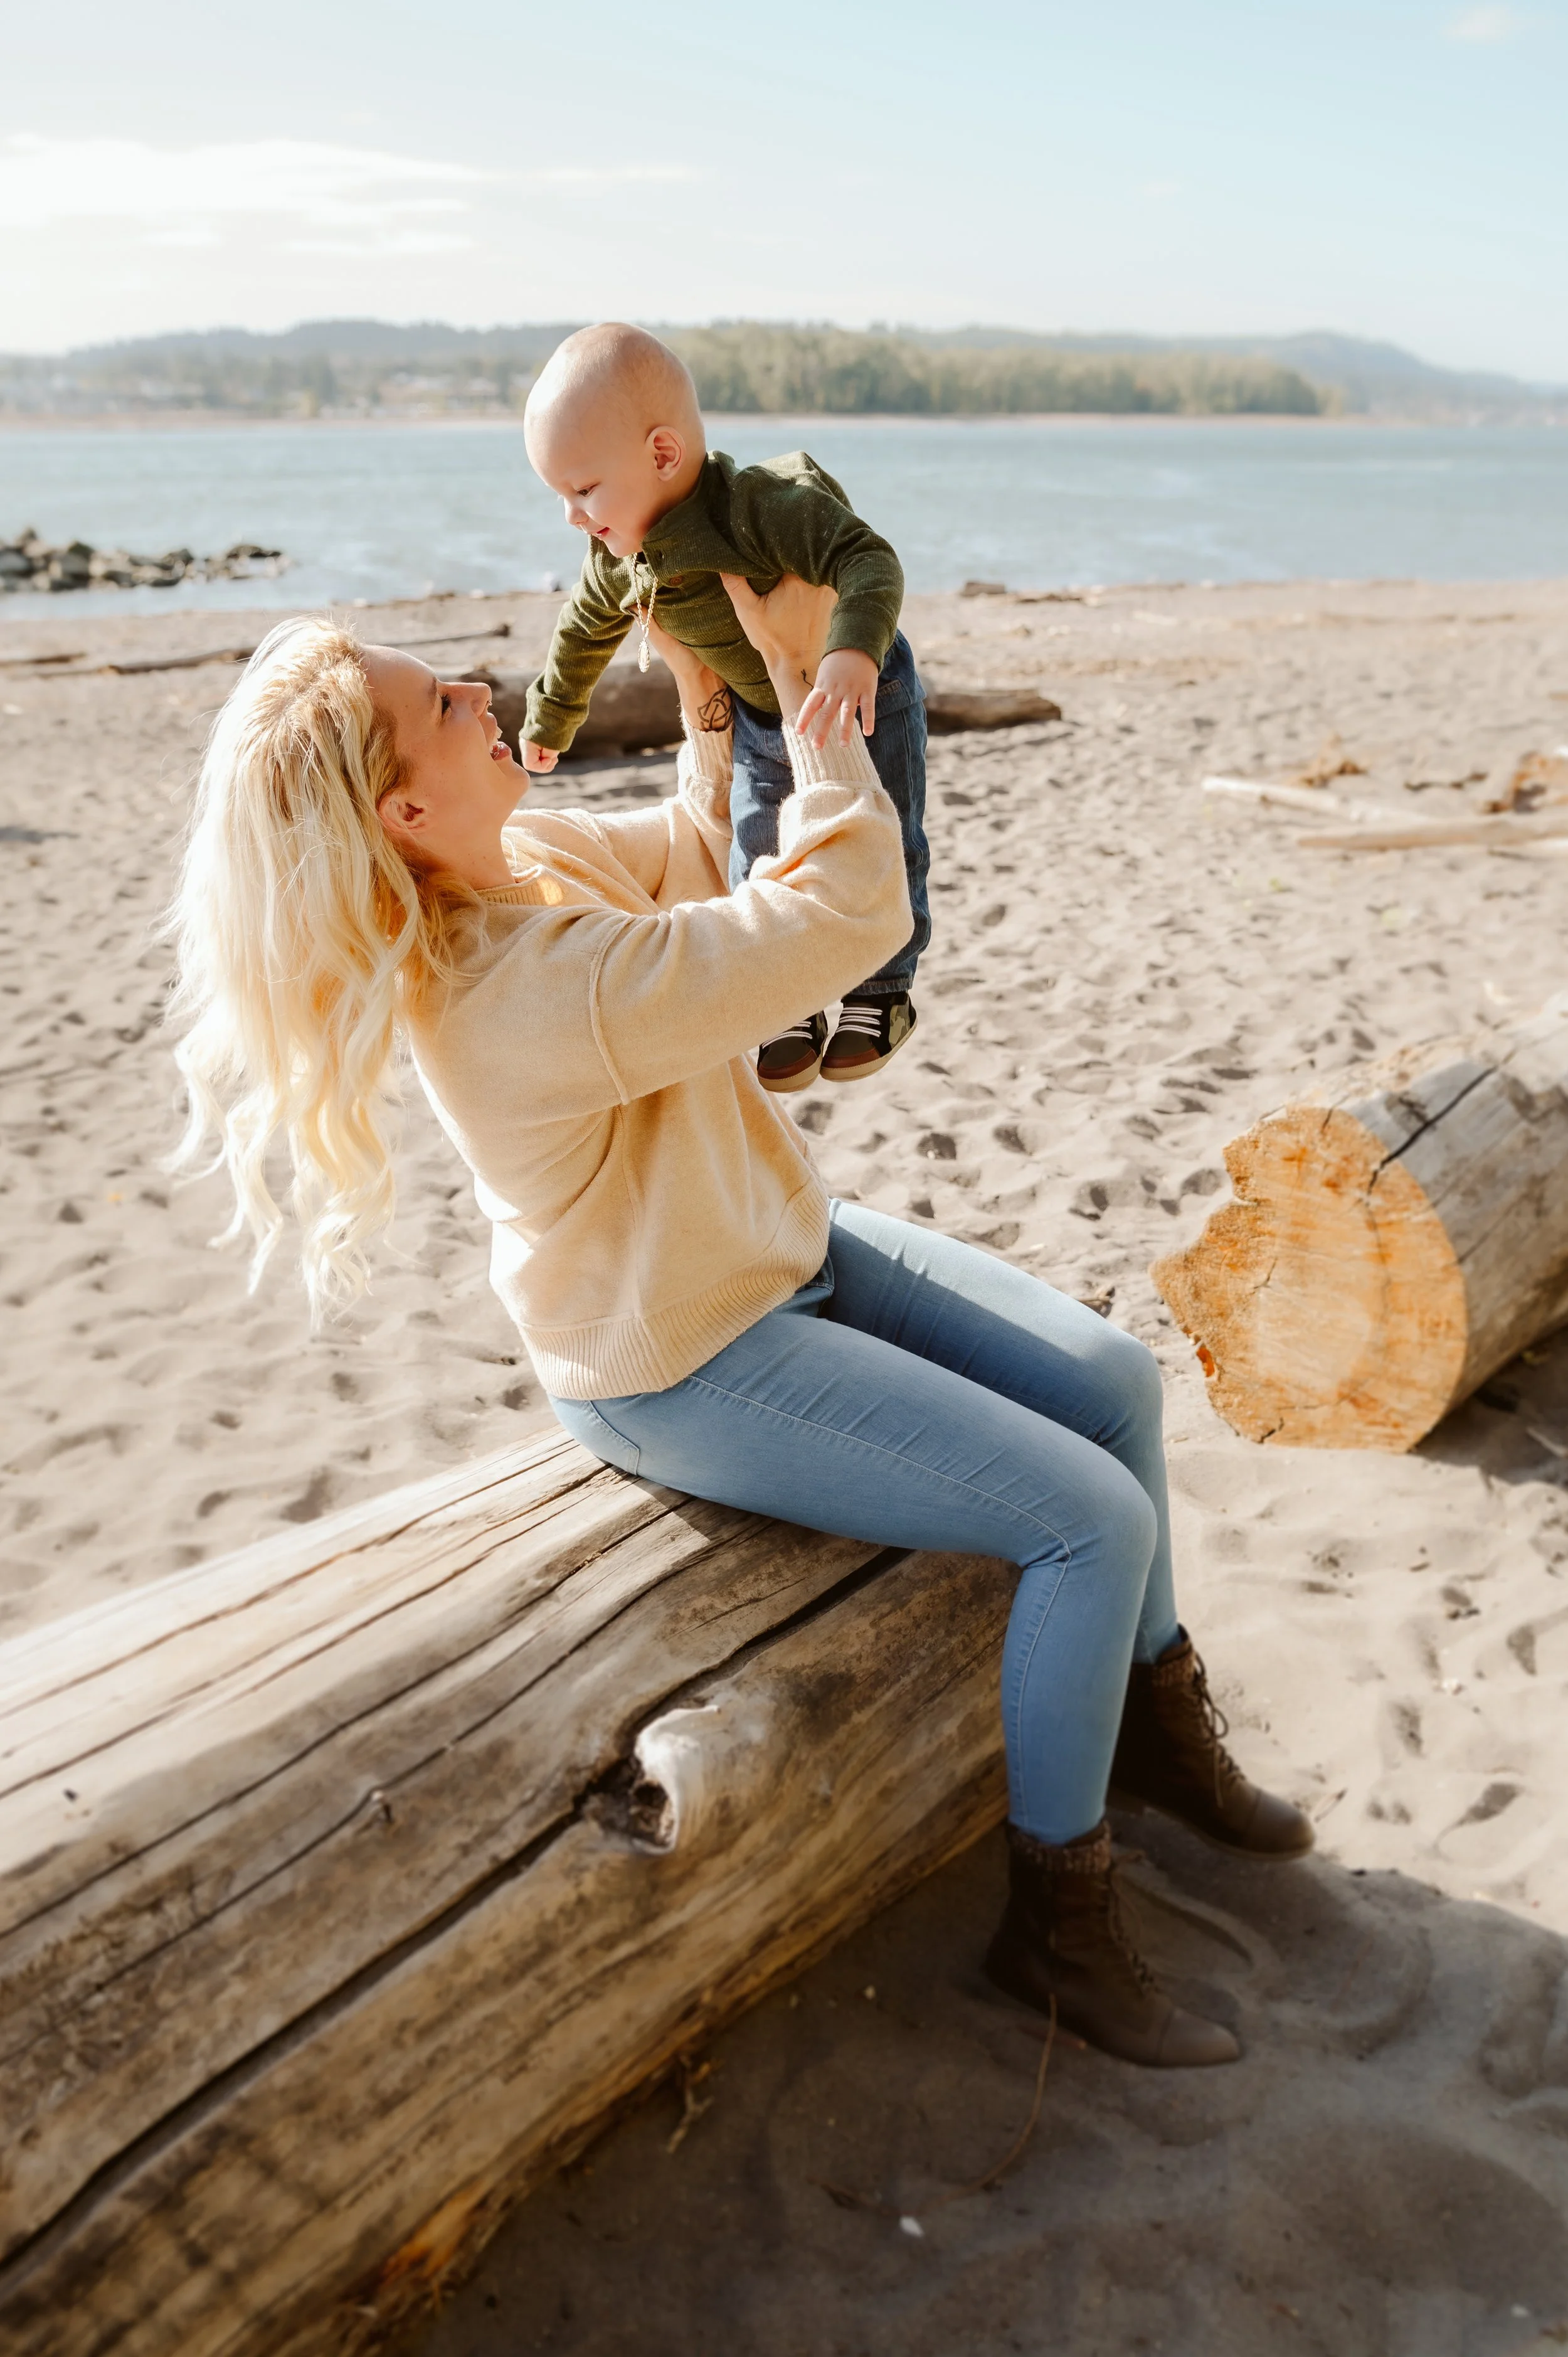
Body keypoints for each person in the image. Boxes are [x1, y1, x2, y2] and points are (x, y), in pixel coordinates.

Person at [169, 571, 1311, 2073]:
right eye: (436, 701)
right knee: (1086, 1521)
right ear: (400, 814)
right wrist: (826, 716)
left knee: (1110, 1378)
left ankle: (1160, 1735)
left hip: (774, 1240)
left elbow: (704, 843)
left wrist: (713, 693)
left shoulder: (526, 859)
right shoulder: (518, 988)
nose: (473, 682)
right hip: (688, 1352)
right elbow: (841, 909)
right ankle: (1060, 1925)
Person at [518, 322, 930, 1093]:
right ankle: (786, 997)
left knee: (886, 828)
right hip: (754, 711)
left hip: (861, 685)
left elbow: (866, 557)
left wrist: (851, 653)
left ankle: (884, 989)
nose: (573, 517)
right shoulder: (621, 559)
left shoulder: (759, 507)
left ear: (663, 454)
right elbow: (581, 632)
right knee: (757, 843)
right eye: (560, 497)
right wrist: (551, 715)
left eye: (582, 490)